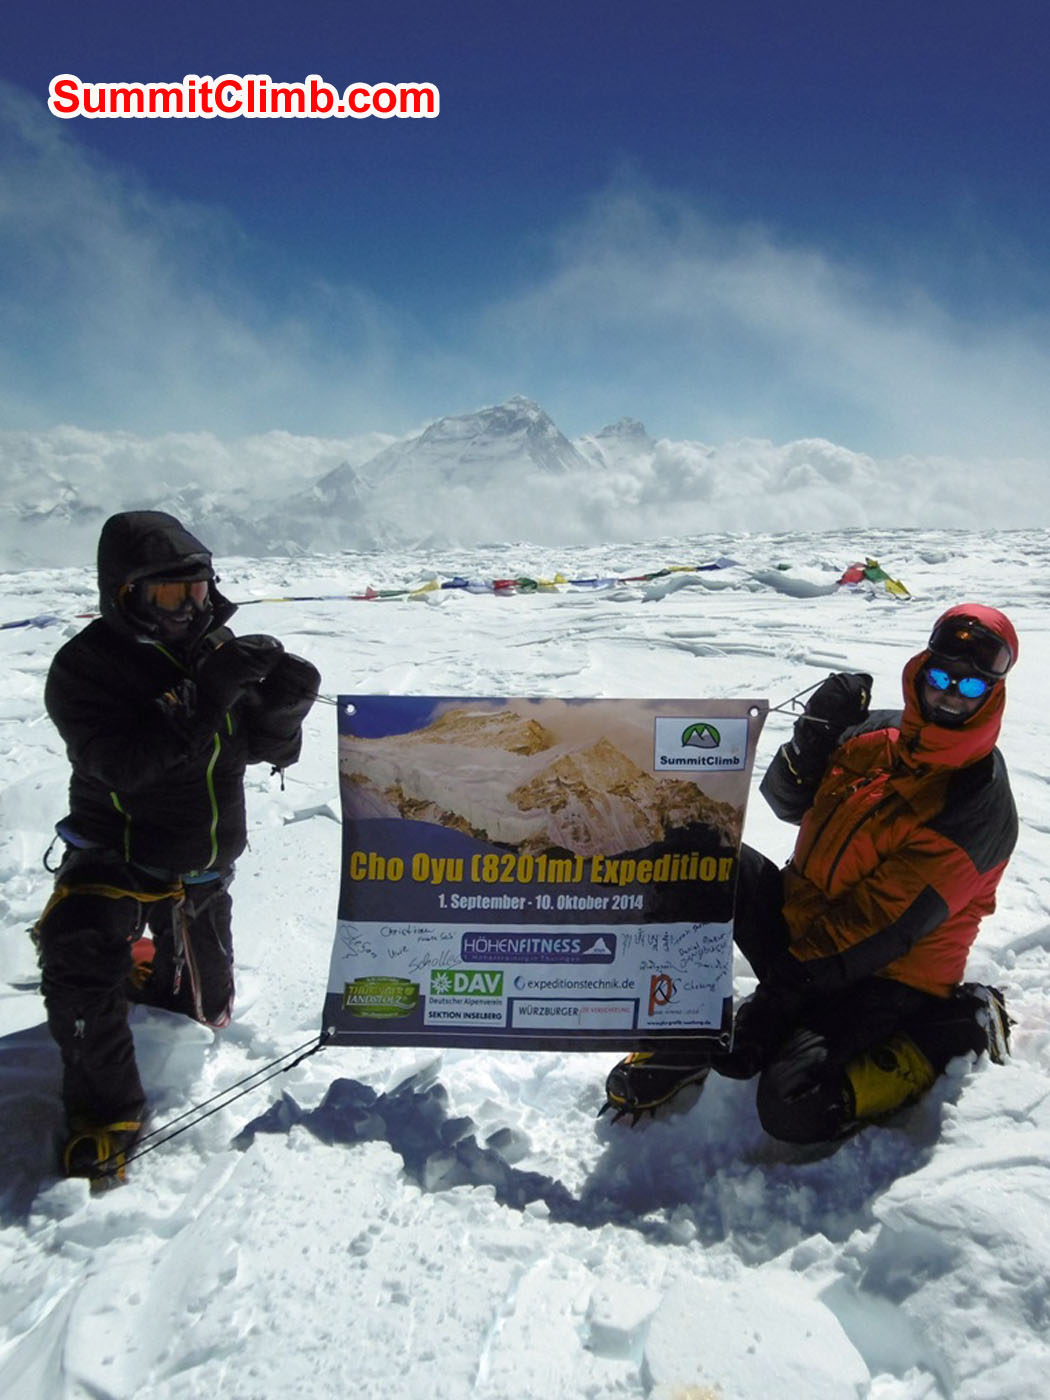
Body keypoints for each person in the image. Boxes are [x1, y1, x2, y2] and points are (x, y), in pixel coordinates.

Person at [604, 604, 1018, 1141]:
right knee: (691, 855)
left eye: (970, 687)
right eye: (940, 676)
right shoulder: (879, 736)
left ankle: (958, 1029)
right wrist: (811, 740)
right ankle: (685, 1027)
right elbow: (787, 800)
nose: (949, 693)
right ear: (923, 667)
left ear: (992, 695)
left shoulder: (975, 800)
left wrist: (776, 1000)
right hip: (806, 927)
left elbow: (882, 925)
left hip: (888, 974)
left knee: (795, 1103)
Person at [35, 511, 320, 1181]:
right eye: (169, 596)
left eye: (197, 593)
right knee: (78, 960)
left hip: (201, 855)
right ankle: (104, 1113)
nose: (189, 611)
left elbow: (248, 748)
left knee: (202, 1011)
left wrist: (282, 716)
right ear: (124, 593)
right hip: (116, 850)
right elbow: (125, 764)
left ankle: (153, 967)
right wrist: (209, 694)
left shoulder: (212, 647)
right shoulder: (84, 668)